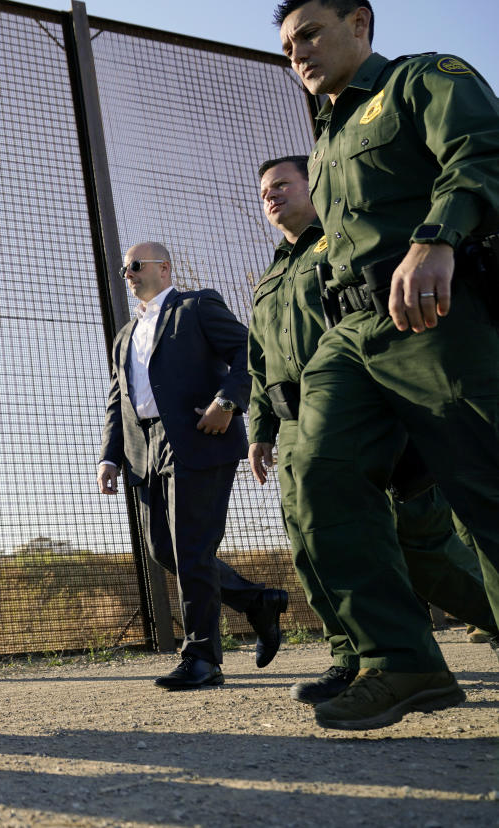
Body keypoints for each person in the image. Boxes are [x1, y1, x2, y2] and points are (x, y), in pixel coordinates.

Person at [275, 0, 499, 729]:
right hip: (353, 332)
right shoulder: (326, 137)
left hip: (434, 313)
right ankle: (399, 660)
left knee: (484, 486)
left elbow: (482, 149)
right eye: (287, 46)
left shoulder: (419, 81)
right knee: (317, 469)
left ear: (360, 23)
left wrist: (437, 236)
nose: (299, 53)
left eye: (310, 33)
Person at [248, 156, 498, 706]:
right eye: (263, 192)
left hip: (369, 410)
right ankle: (354, 656)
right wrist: (260, 428)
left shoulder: (339, 252)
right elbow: (257, 361)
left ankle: (489, 616)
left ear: (315, 188)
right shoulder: (267, 278)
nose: (271, 197)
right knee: (314, 544)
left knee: (423, 546)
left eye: (282, 185)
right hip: (296, 423)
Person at [99, 242, 289, 690]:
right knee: (164, 550)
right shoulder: (124, 335)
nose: (128, 273)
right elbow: (116, 399)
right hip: (143, 448)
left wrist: (227, 402)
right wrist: (110, 454)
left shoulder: (197, 305)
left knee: (191, 549)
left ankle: (202, 657)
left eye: (136, 265)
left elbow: (248, 349)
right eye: (125, 267)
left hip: (200, 437)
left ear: (164, 269)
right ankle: (258, 601)